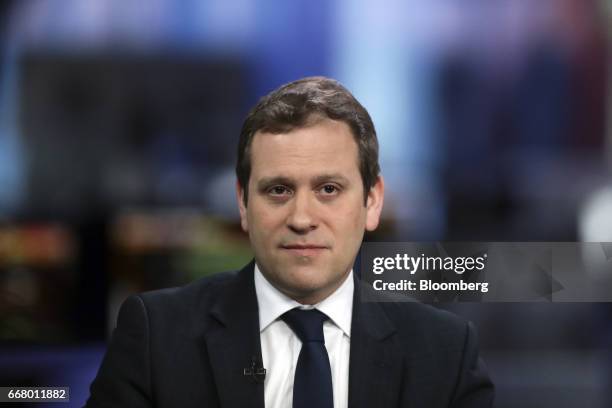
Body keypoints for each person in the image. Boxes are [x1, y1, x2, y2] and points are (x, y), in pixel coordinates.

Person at [86, 76, 494, 408]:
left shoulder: (445, 352)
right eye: (278, 190)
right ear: (243, 203)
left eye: (329, 189)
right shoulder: (156, 335)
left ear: (372, 201)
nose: (301, 218)